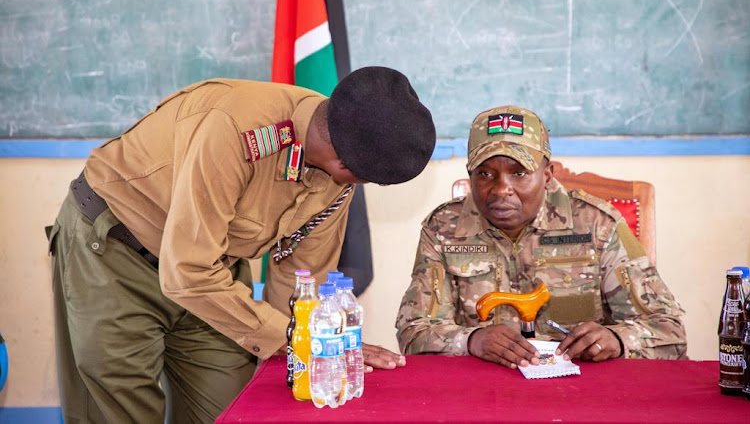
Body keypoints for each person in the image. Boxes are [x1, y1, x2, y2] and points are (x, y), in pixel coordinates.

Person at [47, 66, 435, 423]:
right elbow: (187, 272)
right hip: (115, 254)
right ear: (345, 166)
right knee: (120, 412)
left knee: (234, 411)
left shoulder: (338, 177)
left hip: (215, 275)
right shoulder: (235, 130)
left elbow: (303, 277)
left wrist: (307, 348)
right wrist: (289, 338)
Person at [395, 105, 687, 370]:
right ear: (470, 174)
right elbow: (414, 333)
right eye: (485, 173)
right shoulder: (443, 229)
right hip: (484, 392)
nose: (500, 189)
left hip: (582, 390)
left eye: (519, 173)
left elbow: (669, 331)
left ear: (548, 175)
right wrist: (471, 341)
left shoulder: (597, 224)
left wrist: (617, 338)